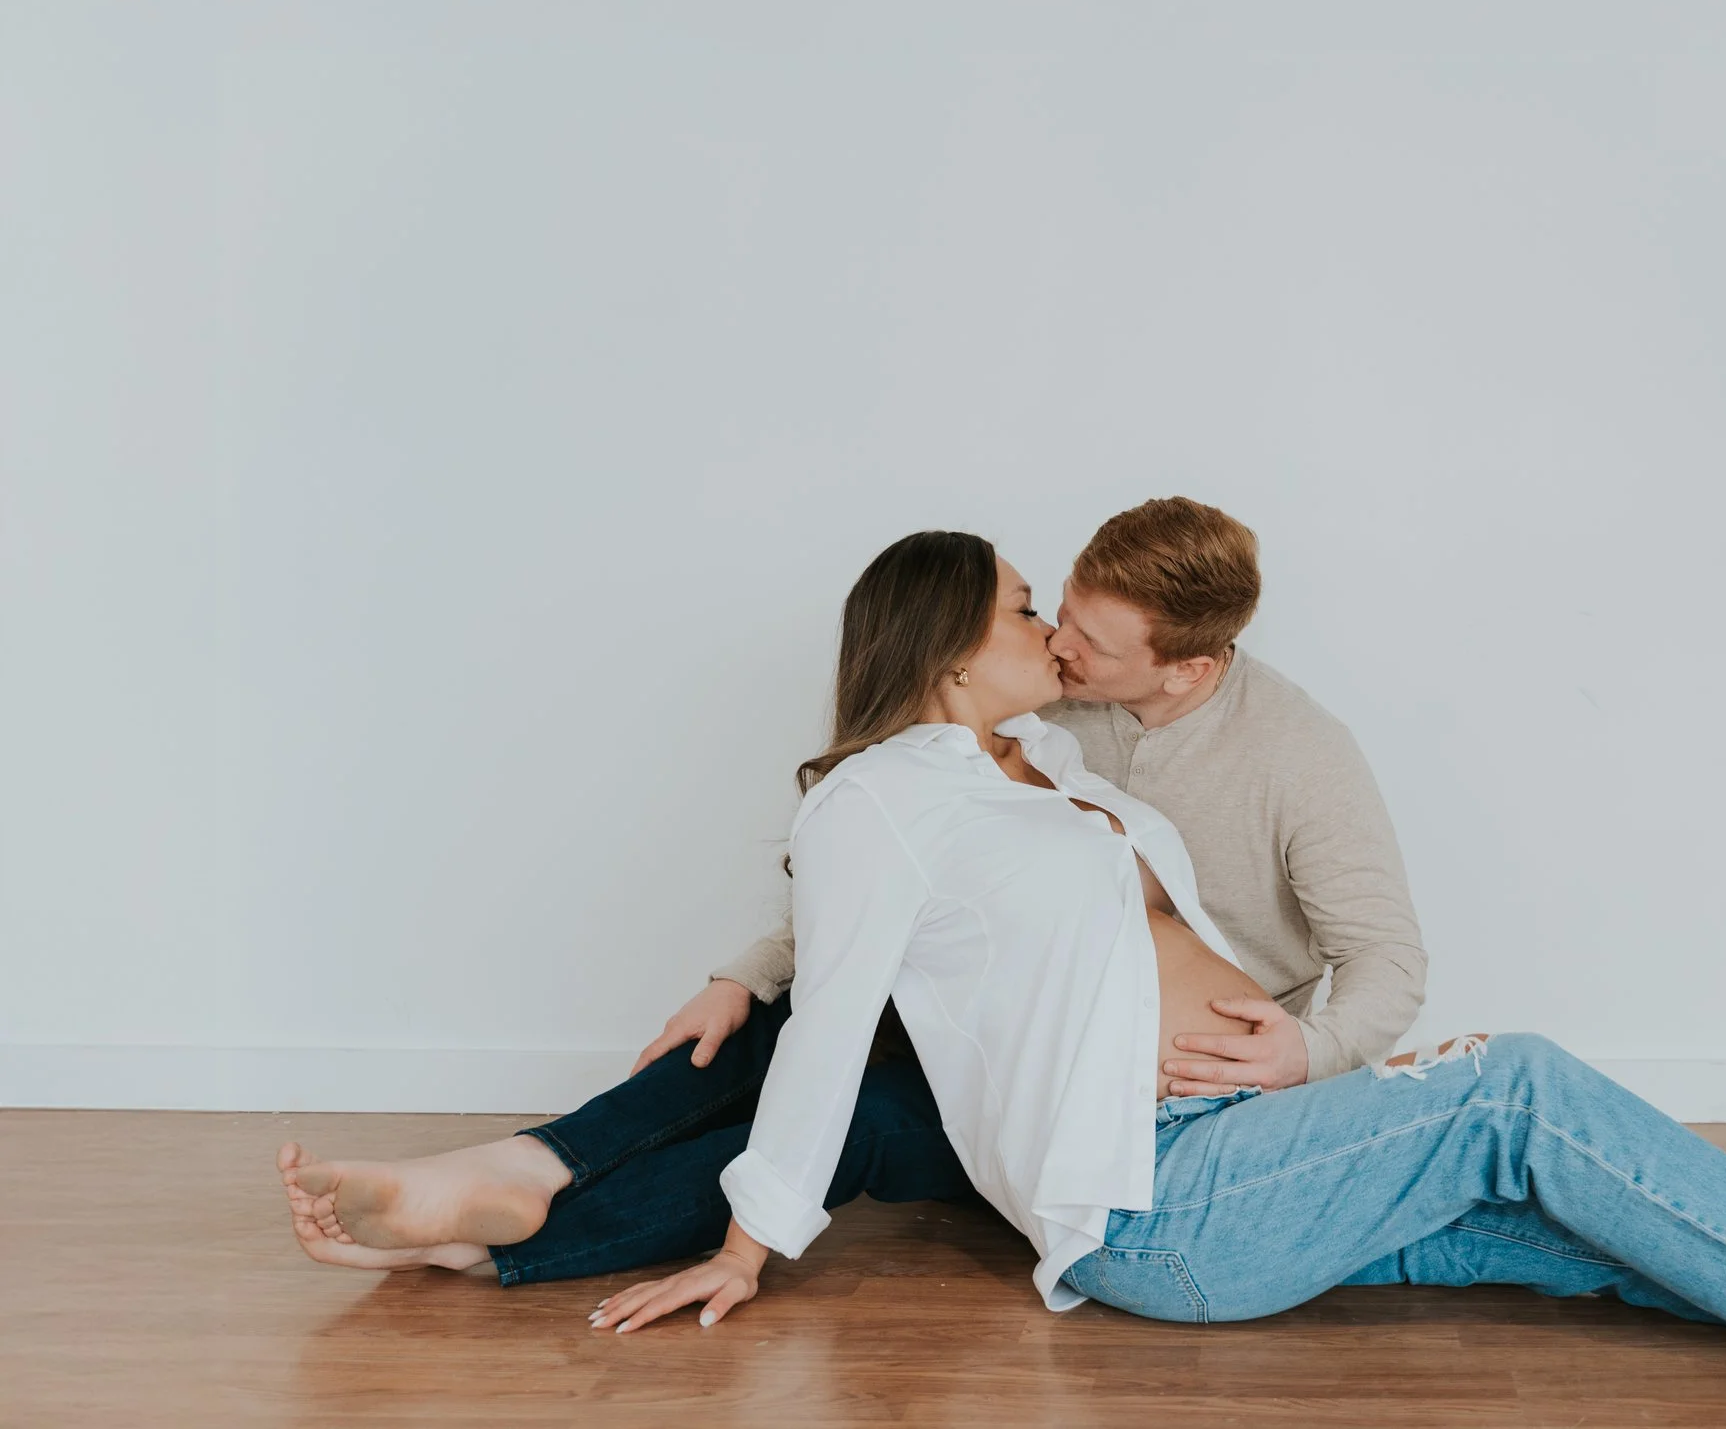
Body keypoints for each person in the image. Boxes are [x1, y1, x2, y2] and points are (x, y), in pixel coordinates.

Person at [404, 530, 1726, 1390]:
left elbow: (1225, 930)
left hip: (1235, 1151)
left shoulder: (1046, 775)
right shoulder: (877, 797)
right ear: (944, 648)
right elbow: (835, 1006)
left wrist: (1322, 1060)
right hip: (1162, 1197)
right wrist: (750, 1234)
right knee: (1520, 1080)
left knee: (1553, 1214)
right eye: (1020, 601)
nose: (1049, 621)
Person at [278, 499, 1431, 1285]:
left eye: (1086, 636)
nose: (1063, 645)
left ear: (1187, 667)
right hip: (1015, 1026)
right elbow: (902, 864)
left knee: (865, 1110)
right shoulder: (1042, 714)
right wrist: (749, 967)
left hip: (1170, 1079)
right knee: (790, 1022)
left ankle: (514, 1239)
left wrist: (1305, 1053)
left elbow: (1388, 963)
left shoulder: (1287, 753)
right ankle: (523, 1172)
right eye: (1052, 609)